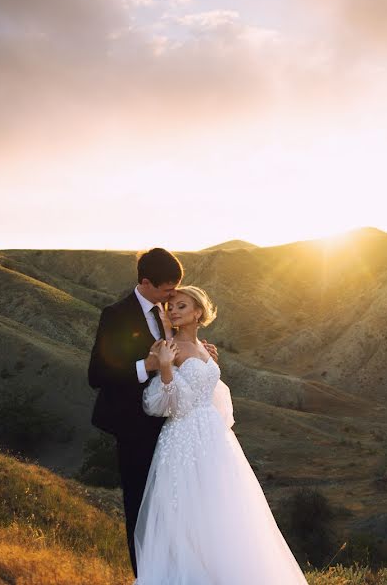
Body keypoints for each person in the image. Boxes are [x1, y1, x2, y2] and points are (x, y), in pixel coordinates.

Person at [134, 286, 307, 584]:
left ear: (198, 312)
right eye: (171, 306)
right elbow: (165, 404)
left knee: (222, 508)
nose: (174, 310)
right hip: (183, 436)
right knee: (186, 511)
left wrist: (209, 364)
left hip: (213, 437)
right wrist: (164, 367)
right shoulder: (168, 349)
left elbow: (211, 392)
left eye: (182, 306)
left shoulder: (204, 348)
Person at [87, 248, 217, 576]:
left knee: (176, 506)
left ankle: (181, 571)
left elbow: (179, 351)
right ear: (145, 282)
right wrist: (147, 365)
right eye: (166, 290)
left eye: (177, 291)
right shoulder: (116, 315)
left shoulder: (167, 314)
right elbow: (97, 374)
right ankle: (147, 575)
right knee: (142, 507)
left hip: (173, 426)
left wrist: (199, 354)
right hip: (135, 427)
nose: (172, 297)